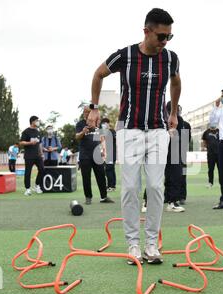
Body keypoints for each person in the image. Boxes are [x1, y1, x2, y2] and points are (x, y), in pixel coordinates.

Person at [89, 8, 180, 265]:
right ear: (146, 31)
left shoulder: (171, 58)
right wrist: (94, 108)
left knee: (154, 186)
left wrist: (173, 112)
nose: (165, 42)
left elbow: (176, 82)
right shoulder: (125, 55)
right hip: (129, 129)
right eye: (161, 36)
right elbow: (98, 74)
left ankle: (151, 243)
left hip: (159, 130)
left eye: (169, 37)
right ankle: (132, 245)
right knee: (130, 187)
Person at [75, 105, 114, 205]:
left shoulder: (97, 124)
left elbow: (101, 138)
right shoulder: (80, 124)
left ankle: (104, 197)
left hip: (97, 154)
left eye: (90, 112)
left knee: (101, 175)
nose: (89, 114)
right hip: (85, 155)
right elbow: (77, 137)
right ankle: (88, 197)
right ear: (84, 113)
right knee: (86, 177)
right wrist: (83, 132)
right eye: (87, 112)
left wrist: (103, 150)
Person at [164, 102, 186, 213]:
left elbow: (180, 137)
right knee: (156, 177)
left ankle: (172, 201)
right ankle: (147, 201)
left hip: (175, 152)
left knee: (175, 177)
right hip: (162, 152)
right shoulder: (161, 119)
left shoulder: (180, 120)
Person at [20, 116, 44, 196]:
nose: (38, 122)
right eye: (37, 120)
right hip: (29, 155)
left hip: (38, 155)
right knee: (28, 172)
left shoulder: (38, 131)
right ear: (32, 122)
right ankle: (27, 189)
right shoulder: (26, 131)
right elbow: (21, 142)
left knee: (42, 169)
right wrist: (30, 143)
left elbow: (40, 143)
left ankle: (37, 185)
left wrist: (41, 153)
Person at [179, 106, 191, 205]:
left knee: (182, 174)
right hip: (168, 152)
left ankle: (182, 196)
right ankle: (168, 195)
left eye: (179, 110)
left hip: (181, 152)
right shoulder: (166, 122)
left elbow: (188, 139)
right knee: (168, 175)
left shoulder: (186, 125)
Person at [202, 122, 220, 189]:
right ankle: (210, 183)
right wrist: (206, 147)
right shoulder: (206, 132)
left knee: (221, 169)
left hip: (220, 154)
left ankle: (222, 183)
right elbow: (204, 141)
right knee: (210, 169)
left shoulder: (219, 131)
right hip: (210, 154)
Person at [101, 118, 117, 192]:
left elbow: (114, 138)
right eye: (103, 124)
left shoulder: (112, 131)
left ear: (108, 124)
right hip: (106, 154)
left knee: (109, 169)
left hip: (111, 154)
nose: (103, 125)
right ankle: (112, 185)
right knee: (110, 169)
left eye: (105, 123)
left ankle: (111, 186)